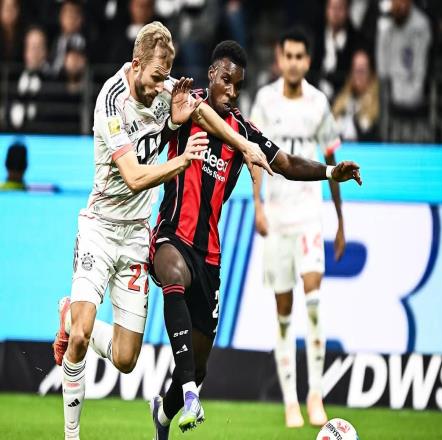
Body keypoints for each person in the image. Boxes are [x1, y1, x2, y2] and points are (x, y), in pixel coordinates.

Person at [51, 21, 273, 440]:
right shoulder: (111, 103)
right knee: (79, 334)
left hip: (136, 235)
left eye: (165, 78)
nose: (160, 88)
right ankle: (71, 434)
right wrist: (183, 158)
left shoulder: (165, 87)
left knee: (126, 359)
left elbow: (205, 114)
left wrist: (243, 145)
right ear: (136, 65)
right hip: (101, 227)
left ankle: (69, 316)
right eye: (155, 77)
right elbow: (135, 177)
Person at [148, 39, 361, 439]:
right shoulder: (186, 102)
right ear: (212, 74)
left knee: (200, 362)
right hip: (172, 233)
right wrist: (174, 124)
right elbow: (155, 134)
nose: (231, 91)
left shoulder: (243, 131)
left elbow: (287, 163)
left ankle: (166, 410)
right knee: (171, 274)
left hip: (209, 255)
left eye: (238, 86)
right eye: (226, 81)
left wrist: (330, 172)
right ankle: (191, 394)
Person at [251, 28, 344, 428]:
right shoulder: (264, 101)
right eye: (287, 56)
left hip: (309, 217)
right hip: (276, 219)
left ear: (307, 61)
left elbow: (332, 162)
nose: (292, 63)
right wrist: (257, 205)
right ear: (280, 58)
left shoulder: (319, 103)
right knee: (284, 313)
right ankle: (291, 401)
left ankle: (315, 394)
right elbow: (254, 156)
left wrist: (340, 221)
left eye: (299, 56)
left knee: (315, 303)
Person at [376, 0, 432, 110]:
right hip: (388, 94)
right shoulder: (385, 22)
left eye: (402, 2)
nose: (399, 6)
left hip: (413, 97)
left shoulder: (420, 24)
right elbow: (381, 59)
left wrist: (414, 92)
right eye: (395, 2)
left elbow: (420, 65)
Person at [333, 49, 380, 141]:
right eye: (356, 70)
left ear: (370, 73)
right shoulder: (342, 100)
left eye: (362, 70)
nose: (358, 76)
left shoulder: (377, 103)